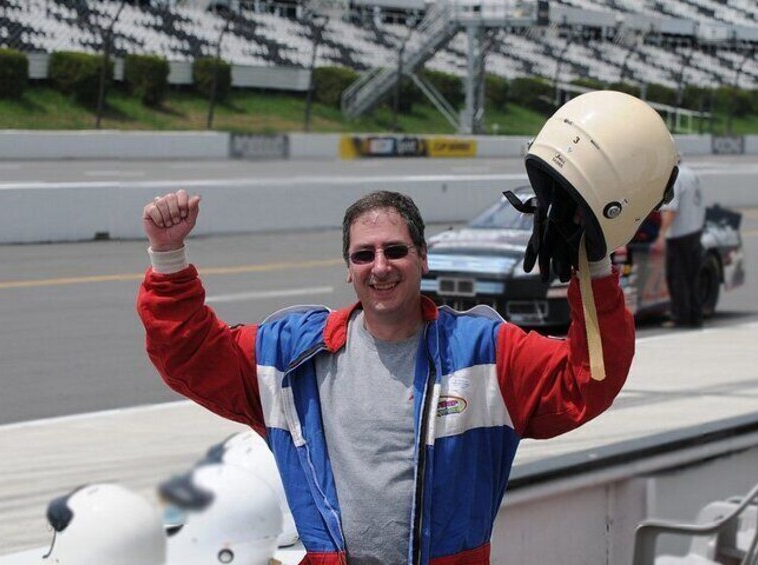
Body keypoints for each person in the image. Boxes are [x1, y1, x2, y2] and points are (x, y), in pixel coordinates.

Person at [137, 188, 635, 565]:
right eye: (363, 254)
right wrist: (168, 256)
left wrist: (592, 265)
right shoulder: (291, 355)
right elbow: (189, 354)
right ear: (348, 268)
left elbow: (589, 378)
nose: (380, 267)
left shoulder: (484, 353)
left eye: (395, 251)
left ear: (423, 256)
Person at [653, 159, 706, 328]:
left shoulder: (675, 178)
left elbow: (671, 209)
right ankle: (695, 316)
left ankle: (680, 317)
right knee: (692, 277)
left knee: (677, 278)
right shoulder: (691, 174)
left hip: (679, 235)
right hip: (694, 232)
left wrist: (661, 234)